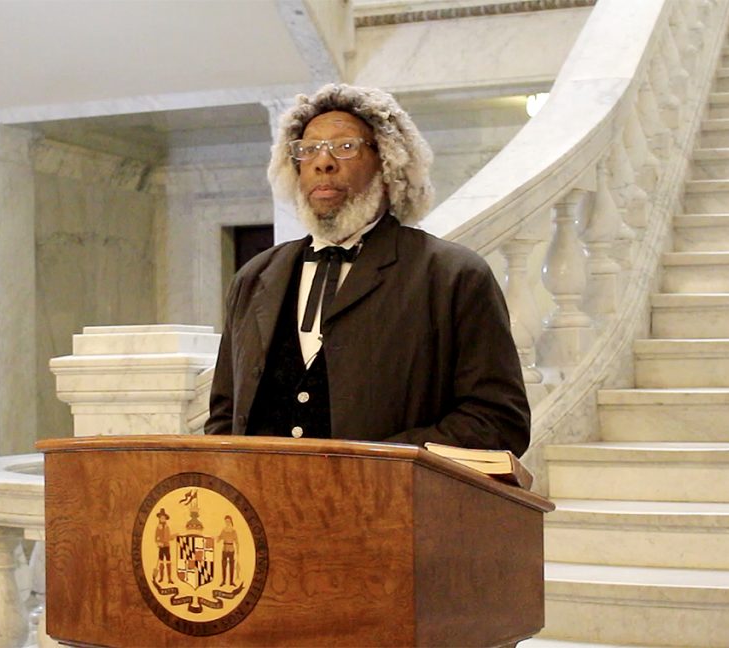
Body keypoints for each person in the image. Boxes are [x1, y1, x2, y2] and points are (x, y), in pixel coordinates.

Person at [205, 83, 529, 457]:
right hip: (263, 505)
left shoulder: (453, 275)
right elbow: (224, 419)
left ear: (388, 163)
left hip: (389, 507)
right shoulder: (254, 277)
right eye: (308, 149)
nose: (322, 162)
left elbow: (498, 422)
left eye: (345, 147)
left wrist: (376, 463)